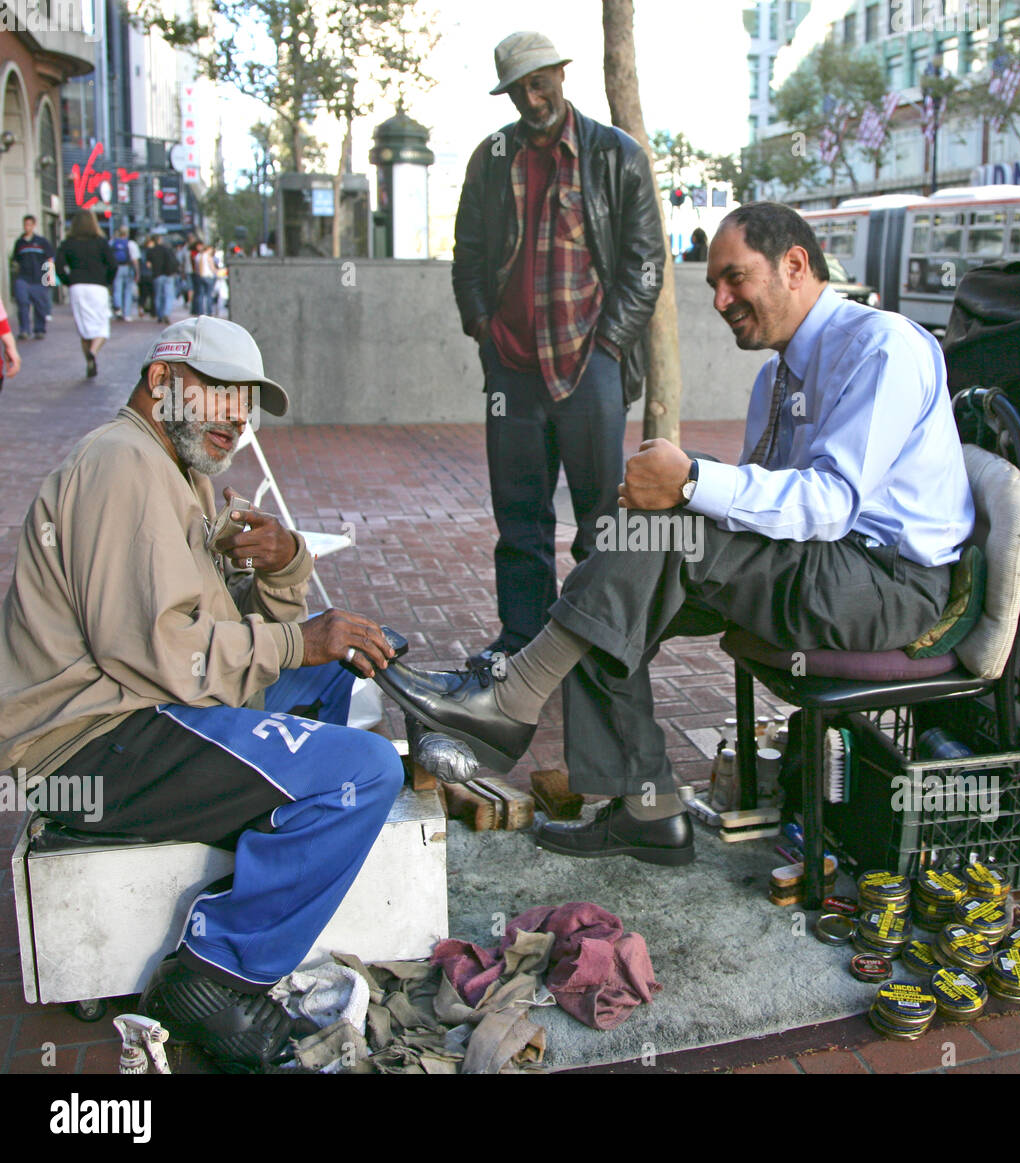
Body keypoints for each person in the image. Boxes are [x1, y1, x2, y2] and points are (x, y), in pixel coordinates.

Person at [379, 202, 974, 865]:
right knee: (616, 556)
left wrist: (689, 481)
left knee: (655, 536)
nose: (721, 299)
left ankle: (512, 701)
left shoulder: (881, 346)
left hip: (889, 585)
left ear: (795, 265)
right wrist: (668, 491)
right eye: (714, 284)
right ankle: (645, 808)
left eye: (734, 278)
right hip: (822, 569)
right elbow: (762, 512)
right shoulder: (777, 378)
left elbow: (830, 504)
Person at [0, 316, 404, 1070]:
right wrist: (298, 638)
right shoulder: (120, 463)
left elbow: (223, 639)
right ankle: (216, 974)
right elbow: (159, 657)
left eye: (245, 404)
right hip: (87, 742)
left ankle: (269, 832)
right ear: (163, 382)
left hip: (146, 712)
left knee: (339, 668)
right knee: (364, 772)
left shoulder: (179, 470)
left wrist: (284, 564)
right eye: (222, 397)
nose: (238, 421)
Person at [452, 31, 663, 671]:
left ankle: (594, 640)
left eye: (539, 82)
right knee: (520, 519)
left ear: (562, 75)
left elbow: (646, 263)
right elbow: (467, 256)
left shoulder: (615, 155)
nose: (531, 97)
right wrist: (483, 330)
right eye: (518, 88)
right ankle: (523, 642)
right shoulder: (490, 159)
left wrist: (609, 346)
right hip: (511, 369)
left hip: (590, 364)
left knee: (602, 520)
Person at [55, 209, 116, 377]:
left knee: (84, 327)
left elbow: (58, 266)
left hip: (77, 286)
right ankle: (94, 352)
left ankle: (88, 360)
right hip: (98, 286)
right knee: (102, 326)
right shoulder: (101, 242)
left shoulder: (68, 243)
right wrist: (107, 281)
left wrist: (68, 281)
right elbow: (113, 265)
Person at [10, 214, 55, 339]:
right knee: (22, 303)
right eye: (25, 224)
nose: (27, 227)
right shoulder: (19, 243)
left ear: (34, 225)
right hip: (23, 279)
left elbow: (49, 259)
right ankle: (24, 330)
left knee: (39, 305)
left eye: (29, 225)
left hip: (39, 278)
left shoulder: (42, 242)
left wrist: (50, 277)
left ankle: (39, 330)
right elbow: (16, 261)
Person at [147, 234, 180, 323]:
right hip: (169, 275)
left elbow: (148, 265)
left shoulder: (151, 251)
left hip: (157, 275)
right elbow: (175, 261)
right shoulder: (167, 249)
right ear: (160, 240)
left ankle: (160, 315)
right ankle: (166, 313)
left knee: (158, 296)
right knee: (168, 296)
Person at [110, 225, 140, 322]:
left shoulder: (112, 242)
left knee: (117, 288)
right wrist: (137, 272)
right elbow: (135, 260)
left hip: (116, 268)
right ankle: (126, 314)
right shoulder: (131, 244)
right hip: (127, 267)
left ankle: (118, 308)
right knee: (128, 291)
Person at [194, 241, 216, 316]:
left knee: (200, 295)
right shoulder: (208, 257)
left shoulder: (198, 256)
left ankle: (200, 311)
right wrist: (217, 272)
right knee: (209, 295)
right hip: (208, 276)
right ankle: (209, 311)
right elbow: (212, 268)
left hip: (199, 276)